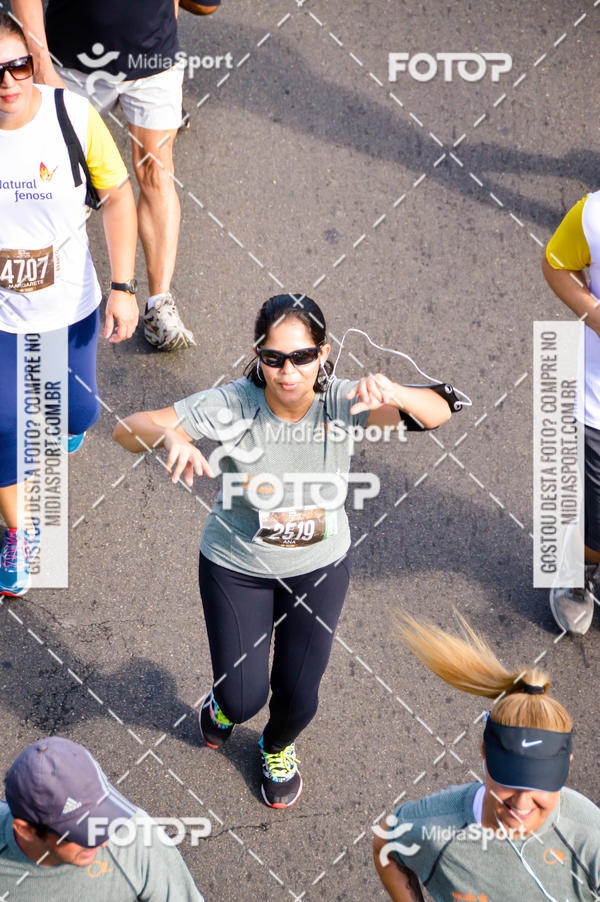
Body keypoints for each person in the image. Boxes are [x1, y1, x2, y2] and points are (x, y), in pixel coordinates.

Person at [113, 293, 459, 808]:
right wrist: (170, 437)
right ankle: (223, 705)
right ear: (258, 354)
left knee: (299, 698)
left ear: (323, 354)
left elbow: (440, 411)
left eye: (302, 356)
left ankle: (276, 747)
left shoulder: (343, 401)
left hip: (318, 567)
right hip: (238, 566)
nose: (288, 372)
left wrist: (398, 393)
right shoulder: (233, 404)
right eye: (274, 358)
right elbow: (124, 430)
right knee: (242, 698)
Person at [0, 14, 138, 597]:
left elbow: (117, 195)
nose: (8, 81)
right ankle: (21, 531)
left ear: (33, 61)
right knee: (6, 426)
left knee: (77, 417)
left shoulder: (72, 116)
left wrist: (124, 286)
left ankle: (63, 426)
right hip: (3, 320)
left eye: (18, 65)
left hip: (70, 309)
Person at [11, 0, 221, 352]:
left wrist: (163, 28)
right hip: (72, 62)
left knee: (156, 169)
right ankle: (43, 305)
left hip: (153, 61)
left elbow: (206, 7)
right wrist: (42, 66)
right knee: (57, 178)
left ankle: (158, 306)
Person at [373, 614, 600, 901]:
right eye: (510, 779)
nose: (521, 802)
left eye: (540, 783)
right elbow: (386, 843)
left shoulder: (591, 837)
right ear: (483, 753)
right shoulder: (437, 828)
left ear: (567, 765)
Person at [0, 735, 204, 900]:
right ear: (26, 831)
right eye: (82, 833)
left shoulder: (137, 839)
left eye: (104, 819)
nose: (104, 840)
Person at [542, 191, 600, 634]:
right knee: (596, 513)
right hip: (597, 407)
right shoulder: (594, 214)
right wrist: (595, 315)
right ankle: (580, 568)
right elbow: (556, 263)